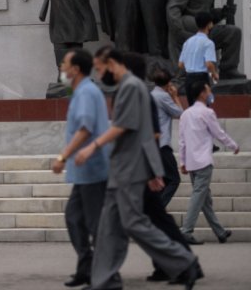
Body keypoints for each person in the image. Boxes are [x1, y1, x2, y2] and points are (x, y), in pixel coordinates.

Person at [75, 50, 200, 290]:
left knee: (133, 223)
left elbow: (127, 127)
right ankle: (104, 280)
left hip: (130, 169)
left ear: (112, 64)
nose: (99, 75)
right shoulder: (130, 87)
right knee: (108, 228)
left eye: (100, 69)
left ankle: (184, 261)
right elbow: (147, 134)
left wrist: (92, 147)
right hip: (120, 168)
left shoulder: (131, 87)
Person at [51, 50, 109, 287]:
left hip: (92, 169)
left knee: (94, 224)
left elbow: (84, 129)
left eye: (64, 64)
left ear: (75, 69)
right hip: (84, 172)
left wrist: (62, 156)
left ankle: (105, 275)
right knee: (74, 218)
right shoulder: (81, 91)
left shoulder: (86, 92)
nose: (62, 68)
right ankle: (86, 268)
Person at [179, 80, 240, 245]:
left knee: (205, 198)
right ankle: (186, 231)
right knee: (199, 196)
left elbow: (182, 141)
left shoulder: (185, 114)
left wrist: (183, 161)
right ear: (201, 93)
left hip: (192, 162)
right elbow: (219, 133)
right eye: (207, 90)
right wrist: (233, 145)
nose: (210, 92)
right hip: (204, 161)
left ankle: (219, 232)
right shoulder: (207, 113)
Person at [167, 0, 244, 79]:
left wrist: (223, 12)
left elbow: (206, 13)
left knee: (233, 32)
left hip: (204, 28)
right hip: (188, 28)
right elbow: (173, 7)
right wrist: (179, 31)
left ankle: (228, 69)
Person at [150, 68, 186, 207]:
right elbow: (180, 114)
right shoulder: (163, 96)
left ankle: (154, 210)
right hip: (162, 144)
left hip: (152, 145)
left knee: (162, 180)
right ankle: (156, 210)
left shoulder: (151, 94)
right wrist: (175, 96)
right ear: (169, 82)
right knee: (173, 180)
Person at [178, 12, 219, 106]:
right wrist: (214, 73)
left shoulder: (187, 42)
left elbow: (180, 64)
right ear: (209, 24)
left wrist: (191, 64)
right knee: (204, 107)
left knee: (192, 107)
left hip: (188, 78)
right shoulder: (208, 43)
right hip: (201, 79)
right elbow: (209, 64)